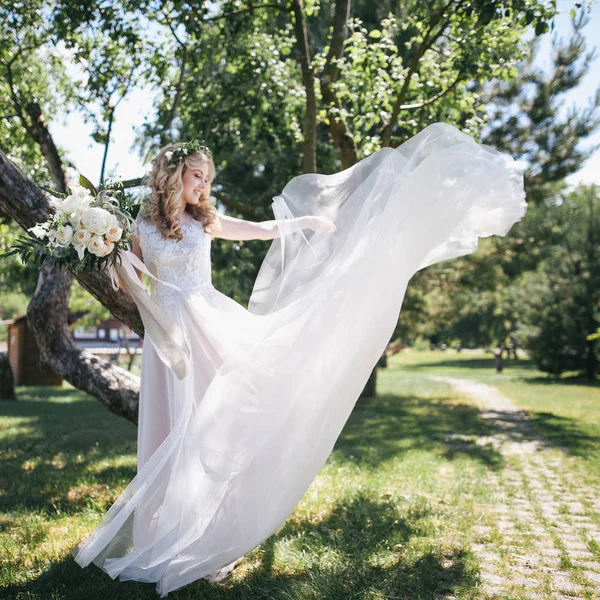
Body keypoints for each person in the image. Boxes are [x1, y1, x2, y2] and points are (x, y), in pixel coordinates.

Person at [70, 123, 527, 596]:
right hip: (169, 336)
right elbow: (129, 284)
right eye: (198, 177)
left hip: (210, 323)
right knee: (171, 430)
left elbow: (258, 231)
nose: (205, 186)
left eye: (207, 178)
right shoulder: (142, 227)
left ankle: (208, 538)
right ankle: (159, 537)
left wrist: (302, 224)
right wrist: (107, 249)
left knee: (222, 425)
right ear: (173, 176)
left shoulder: (206, 220)